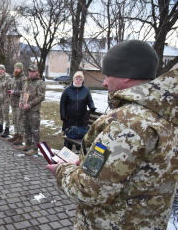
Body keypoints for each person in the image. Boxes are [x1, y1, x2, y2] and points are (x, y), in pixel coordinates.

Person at [47, 40, 178, 229]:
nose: (105, 82)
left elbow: (90, 190)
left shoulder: (128, 122)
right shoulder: (166, 114)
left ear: (127, 75)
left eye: (108, 76)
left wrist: (61, 170)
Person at [60, 71, 95, 153]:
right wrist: (63, 115)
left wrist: (92, 107)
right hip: (69, 118)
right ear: (73, 79)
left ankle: (78, 151)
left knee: (79, 134)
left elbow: (89, 100)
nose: (78, 80)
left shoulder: (86, 90)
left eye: (80, 79)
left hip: (81, 118)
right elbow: (62, 103)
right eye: (77, 78)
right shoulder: (67, 90)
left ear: (82, 81)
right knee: (69, 135)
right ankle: (67, 152)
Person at [18, 65, 46, 156]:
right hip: (25, 109)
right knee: (26, 127)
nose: (31, 73)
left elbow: (41, 97)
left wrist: (30, 105)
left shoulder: (40, 83)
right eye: (30, 71)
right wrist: (21, 102)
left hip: (33, 110)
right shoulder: (26, 82)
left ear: (37, 72)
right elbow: (23, 93)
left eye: (33, 71)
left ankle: (35, 148)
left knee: (35, 130)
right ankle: (28, 144)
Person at [7, 62, 26, 145]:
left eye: (17, 68)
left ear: (21, 69)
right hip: (13, 102)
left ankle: (20, 137)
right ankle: (16, 134)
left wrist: (14, 92)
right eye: (15, 68)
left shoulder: (23, 78)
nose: (16, 70)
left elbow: (25, 91)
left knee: (19, 121)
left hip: (20, 103)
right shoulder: (14, 78)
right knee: (14, 120)